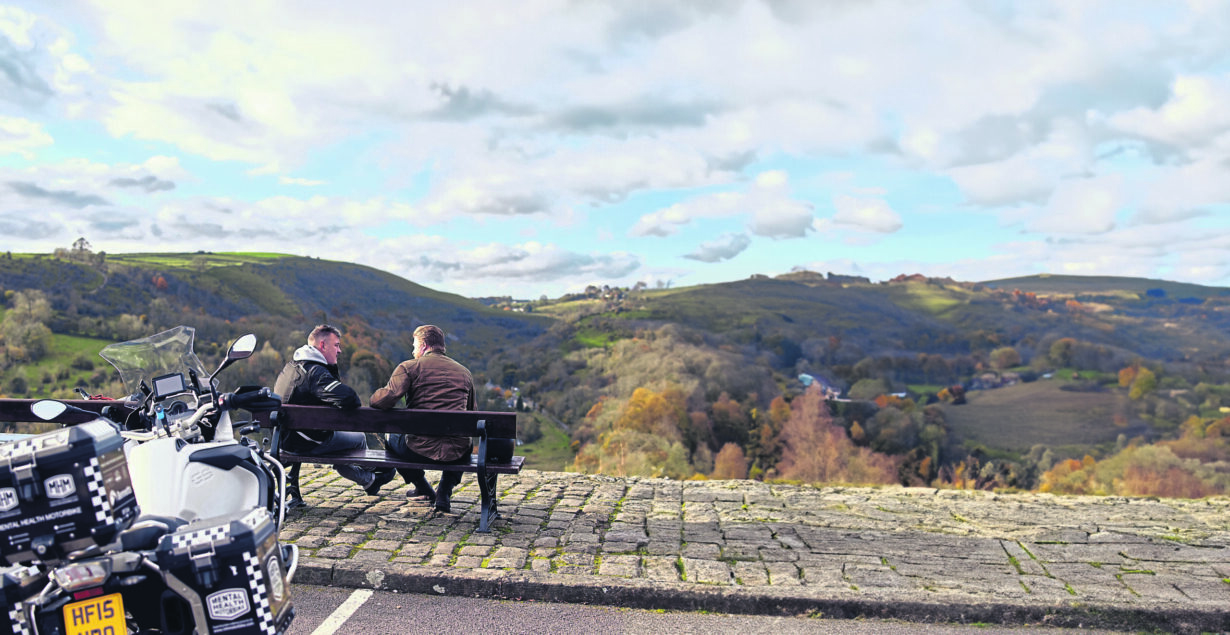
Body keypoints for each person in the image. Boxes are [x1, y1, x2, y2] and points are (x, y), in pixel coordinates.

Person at [274, 324, 395, 509]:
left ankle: (370, 479)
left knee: (342, 444)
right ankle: (372, 475)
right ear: (323, 346)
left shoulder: (290, 368)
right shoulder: (316, 372)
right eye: (336, 345)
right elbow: (350, 399)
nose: (339, 350)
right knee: (357, 439)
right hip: (310, 442)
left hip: (285, 441)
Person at [370, 324, 475, 513]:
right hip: (457, 451)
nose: (412, 351)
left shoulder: (410, 367)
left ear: (424, 346)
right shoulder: (464, 372)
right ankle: (444, 491)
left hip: (418, 448)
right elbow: (472, 414)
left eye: (414, 346)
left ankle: (422, 485)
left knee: (390, 437)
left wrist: (376, 393)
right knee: (464, 439)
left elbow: (382, 402)